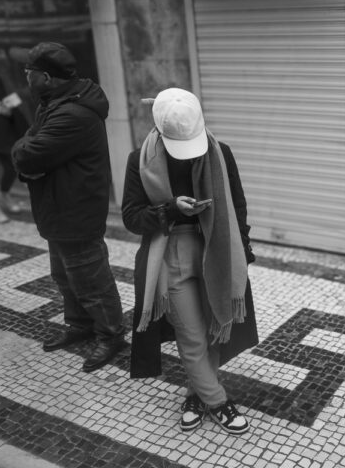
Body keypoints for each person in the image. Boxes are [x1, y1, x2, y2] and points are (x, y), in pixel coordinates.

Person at [121, 88, 259, 435]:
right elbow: (132, 217)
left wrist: (243, 249)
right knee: (192, 335)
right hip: (171, 254)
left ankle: (197, 394)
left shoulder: (220, 152)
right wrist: (169, 209)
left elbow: (237, 204)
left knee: (216, 328)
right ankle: (218, 401)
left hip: (218, 249)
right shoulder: (140, 159)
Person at [11, 42, 125, 372]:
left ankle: (111, 334)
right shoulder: (56, 101)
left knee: (92, 280)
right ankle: (81, 326)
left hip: (76, 211)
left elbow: (25, 153)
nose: (27, 79)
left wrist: (28, 156)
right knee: (64, 276)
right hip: (58, 208)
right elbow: (29, 146)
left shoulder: (72, 114)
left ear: (45, 77)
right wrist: (29, 155)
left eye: (29, 74)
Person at [0, 73, 28, 223]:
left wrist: (6, 107)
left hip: (2, 128)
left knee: (11, 165)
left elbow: (6, 96)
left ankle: (4, 194)